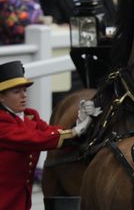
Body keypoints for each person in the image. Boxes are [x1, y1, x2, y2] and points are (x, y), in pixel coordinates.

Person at [0, 60, 100, 210]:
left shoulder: (29, 116)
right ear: (1, 97)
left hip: (20, 199)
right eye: (16, 92)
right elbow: (35, 139)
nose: (23, 96)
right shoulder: (2, 123)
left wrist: (80, 120)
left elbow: (50, 132)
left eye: (24, 90)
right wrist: (75, 131)